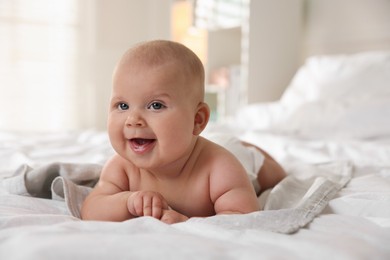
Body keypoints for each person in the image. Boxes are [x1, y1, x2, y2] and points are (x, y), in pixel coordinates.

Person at [81, 40, 286, 224]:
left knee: (271, 172)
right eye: (123, 105)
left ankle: (258, 152)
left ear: (197, 119)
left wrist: (189, 222)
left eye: (155, 105)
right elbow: (91, 209)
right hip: (191, 141)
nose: (133, 120)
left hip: (235, 153)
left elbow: (243, 217)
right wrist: (127, 202)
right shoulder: (122, 167)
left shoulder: (220, 167)